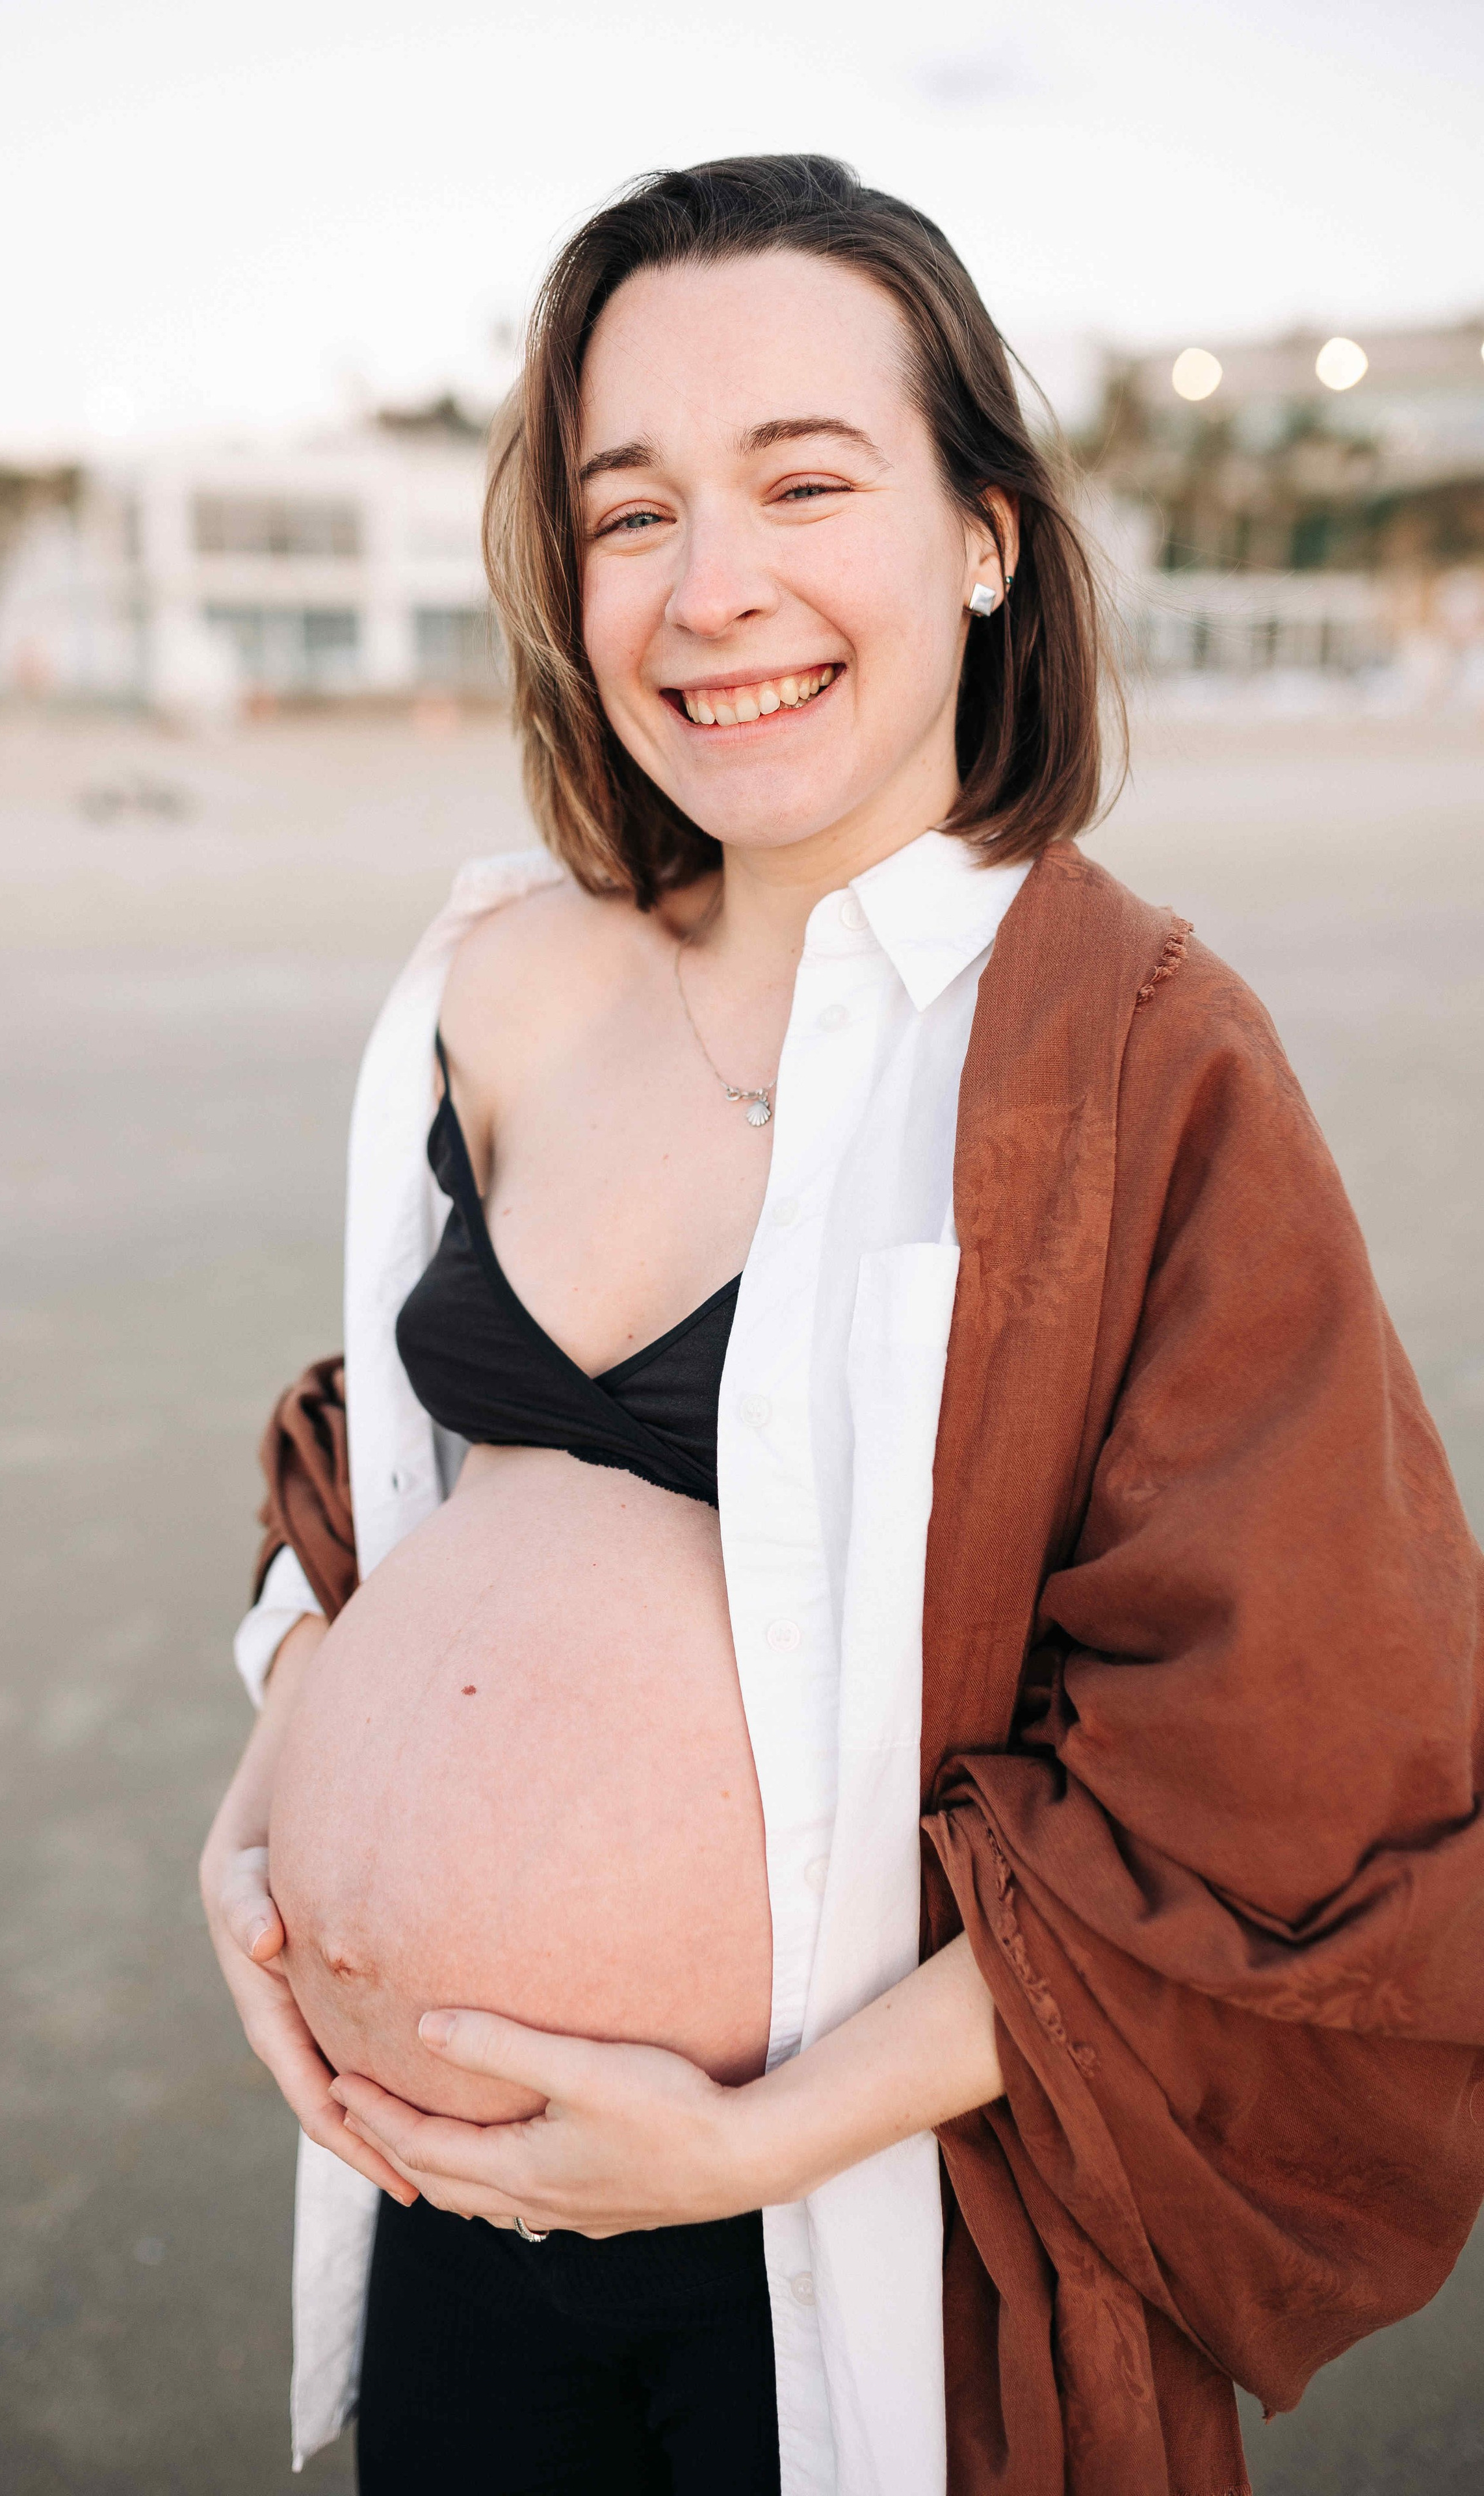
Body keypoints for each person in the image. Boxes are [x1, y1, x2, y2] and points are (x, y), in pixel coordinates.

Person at [200, 156, 1484, 2496]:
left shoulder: (1128, 1053)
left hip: (855, 2254)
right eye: (631, 513)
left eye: (807, 480)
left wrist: (750, 2142)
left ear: (986, 533)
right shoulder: (494, 976)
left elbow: (1294, 1754)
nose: (715, 593)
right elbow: (385, 1476)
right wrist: (267, 1802)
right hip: (438, 2208)